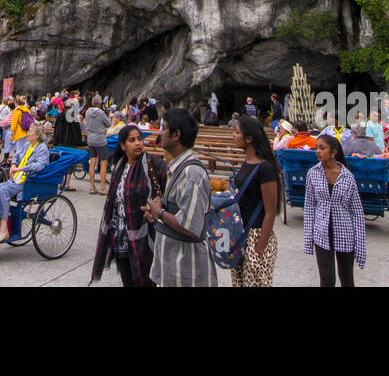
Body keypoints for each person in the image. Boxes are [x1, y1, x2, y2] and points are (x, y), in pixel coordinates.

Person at [142, 107, 216, 287]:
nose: (161, 133)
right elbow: (177, 210)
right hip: (174, 267)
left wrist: (159, 212)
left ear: (176, 134)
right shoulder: (177, 168)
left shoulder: (192, 173)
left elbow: (189, 224)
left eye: (165, 128)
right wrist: (159, 210)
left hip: (187, 269)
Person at [90, 124, 167, 286]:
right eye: (132, 140)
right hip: (121, 238)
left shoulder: (154, 164)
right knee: (128, 281)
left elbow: (169, 193)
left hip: (144, 238)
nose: (138, 143)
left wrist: (160, 205)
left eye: (139, 139)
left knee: (145, 280)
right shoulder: (119, 166)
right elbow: (114, 203)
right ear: (123, 145)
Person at [303, 134, 367, 287]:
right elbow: (309, 207)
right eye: (316, 148)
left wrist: (360, 244)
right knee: (326, 280)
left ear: (333, 152)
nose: (317, 151)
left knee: (347, 279)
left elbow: (357, 212)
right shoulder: (313, 174)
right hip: (321, 233)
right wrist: (308, 238)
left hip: (345, 233)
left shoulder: (347, 177)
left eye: (322, 148)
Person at [230, 115, 282, 287]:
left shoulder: (265, 168)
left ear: (249, 138)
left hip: (256, 235)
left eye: (237, 132)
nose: (233, 136)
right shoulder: (247, 162)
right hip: (242, 234)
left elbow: (270, 210)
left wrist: (259, 249)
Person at [0, 122, 50, 243]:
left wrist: (21, 168)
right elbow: (16, 155)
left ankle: (4, 229)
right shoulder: (28, 144)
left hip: (27, 182)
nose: (28, 134)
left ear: (37, 135)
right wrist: (13, 164)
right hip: (16, 178)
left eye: (30, 132)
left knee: (4, 191)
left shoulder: (42, 149)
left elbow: (39, 165)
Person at [84, 96, 112, 194]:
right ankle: (103, 188)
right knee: (103, 162)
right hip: (100, 139)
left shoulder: (87, 112)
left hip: (90, 139)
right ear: (100, 103)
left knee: (92, 161)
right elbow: (109, 124)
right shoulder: (101, 113)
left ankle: (92, 187)